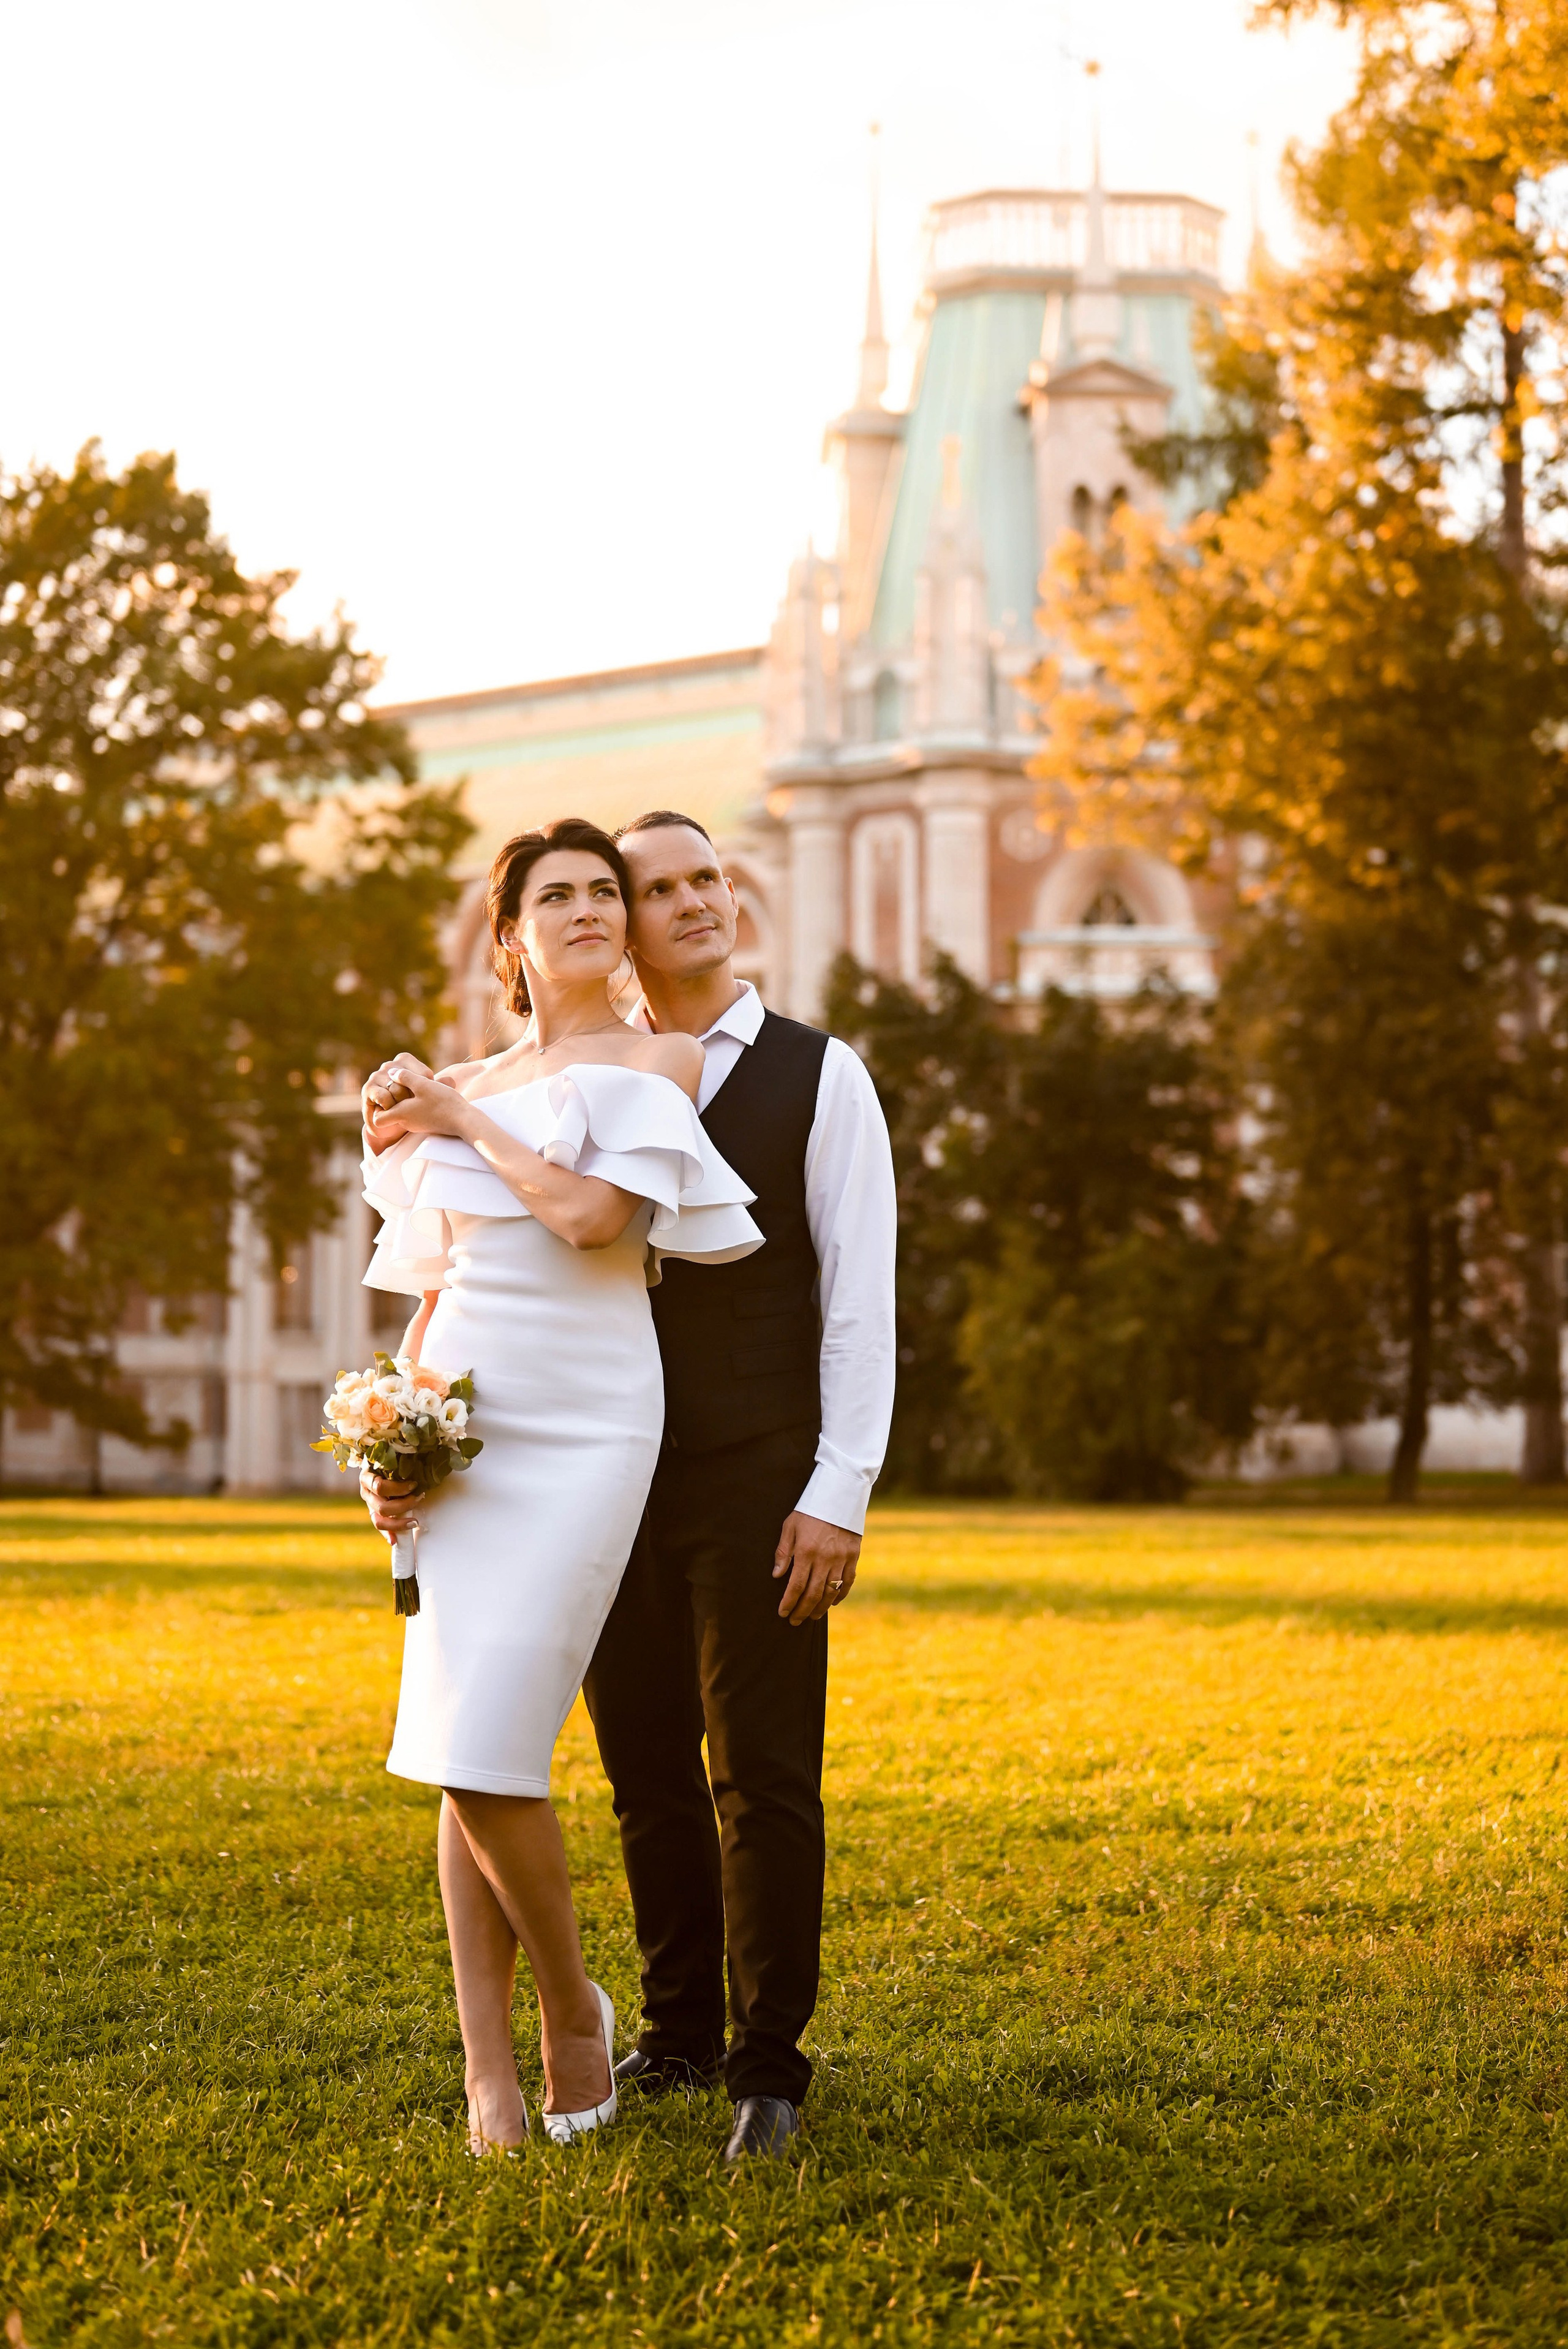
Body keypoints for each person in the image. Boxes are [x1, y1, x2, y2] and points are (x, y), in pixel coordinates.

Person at [356, 817, 761, 2154]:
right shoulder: (460, 1072)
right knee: (455, 1744)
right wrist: (394, 1442)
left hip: (590, 1421)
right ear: (513, 935)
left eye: (604, 892)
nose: (589, 909)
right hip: (465, 1416)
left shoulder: (660, 1057)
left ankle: (576, 2014)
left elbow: (595, 1221)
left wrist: (463, 1113)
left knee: (488, 1745)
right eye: (558, 896)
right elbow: (434, 1284)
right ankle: (487, 2073)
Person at [582, 809, 897, 2163]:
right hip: (605, 1473)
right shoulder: (590, 1078)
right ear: (625, 924)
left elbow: (859, 1299)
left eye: (707, 876)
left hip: (760, 1470)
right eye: (662, 888)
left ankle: (766, 2069)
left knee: (760, 1778)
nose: (698, 900)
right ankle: (678, 2034)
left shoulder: (821, 1076)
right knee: (645, 1772)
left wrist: (838, 1488)